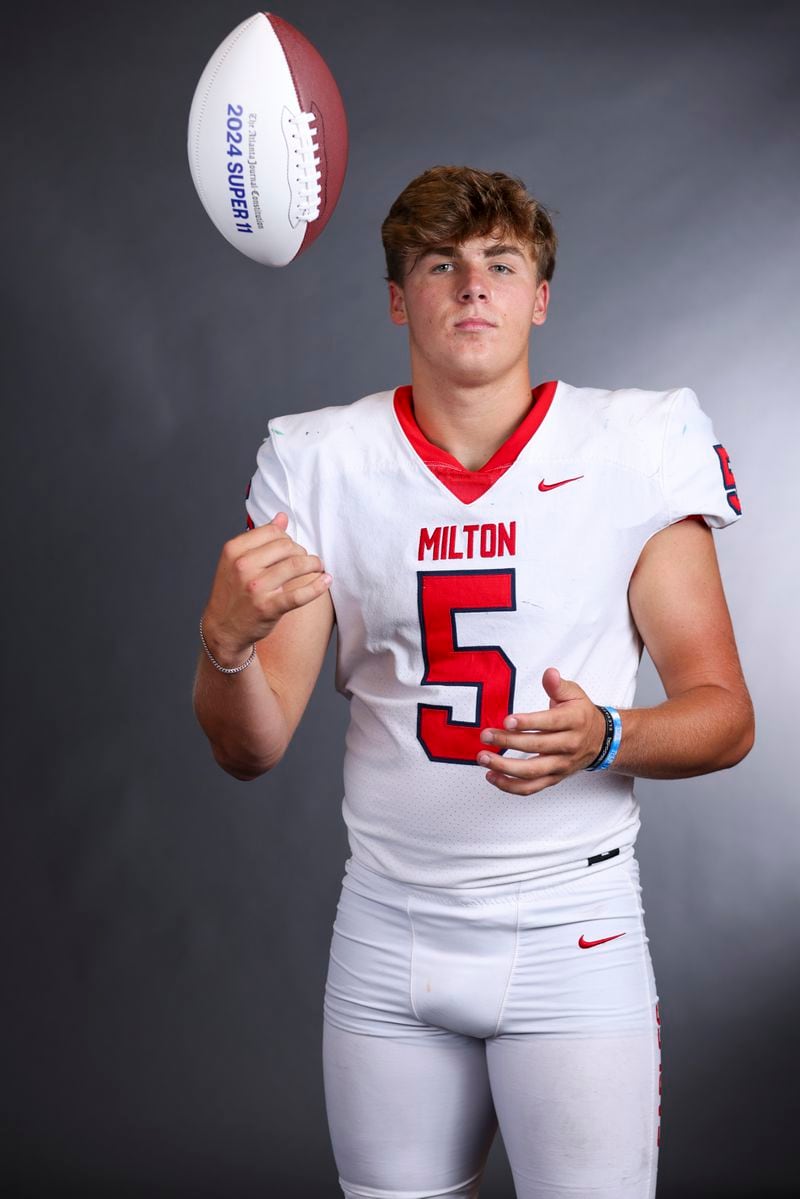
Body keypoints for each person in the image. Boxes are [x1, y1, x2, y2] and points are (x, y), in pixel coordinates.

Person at [192, 166, 754, 1199]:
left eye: (499, 263)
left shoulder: (630, 444)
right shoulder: (320, 458)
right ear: (398, 298)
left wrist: (605, 736)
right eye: (438, 265)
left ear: (539, 296)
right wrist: (222, 647)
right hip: (386, 926)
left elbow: (724, 716)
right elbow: (250, 744)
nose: (470, 286)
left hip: (568, 925)